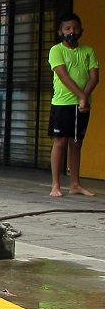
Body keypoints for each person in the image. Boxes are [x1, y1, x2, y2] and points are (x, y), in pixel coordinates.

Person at [48, 12, 99, 197]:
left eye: (75, 28)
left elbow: (95, 76)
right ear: (60, 32)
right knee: (60, 142)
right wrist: (81, 96)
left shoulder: (88, 51)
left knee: (77, 143)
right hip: (62, 103)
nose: (72, 31)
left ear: (81, 30)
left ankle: (75, 183)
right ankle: (55, 185)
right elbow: (63, 76)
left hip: (82, 104)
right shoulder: (56, 50)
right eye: (68, 28)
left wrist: (84, 97)